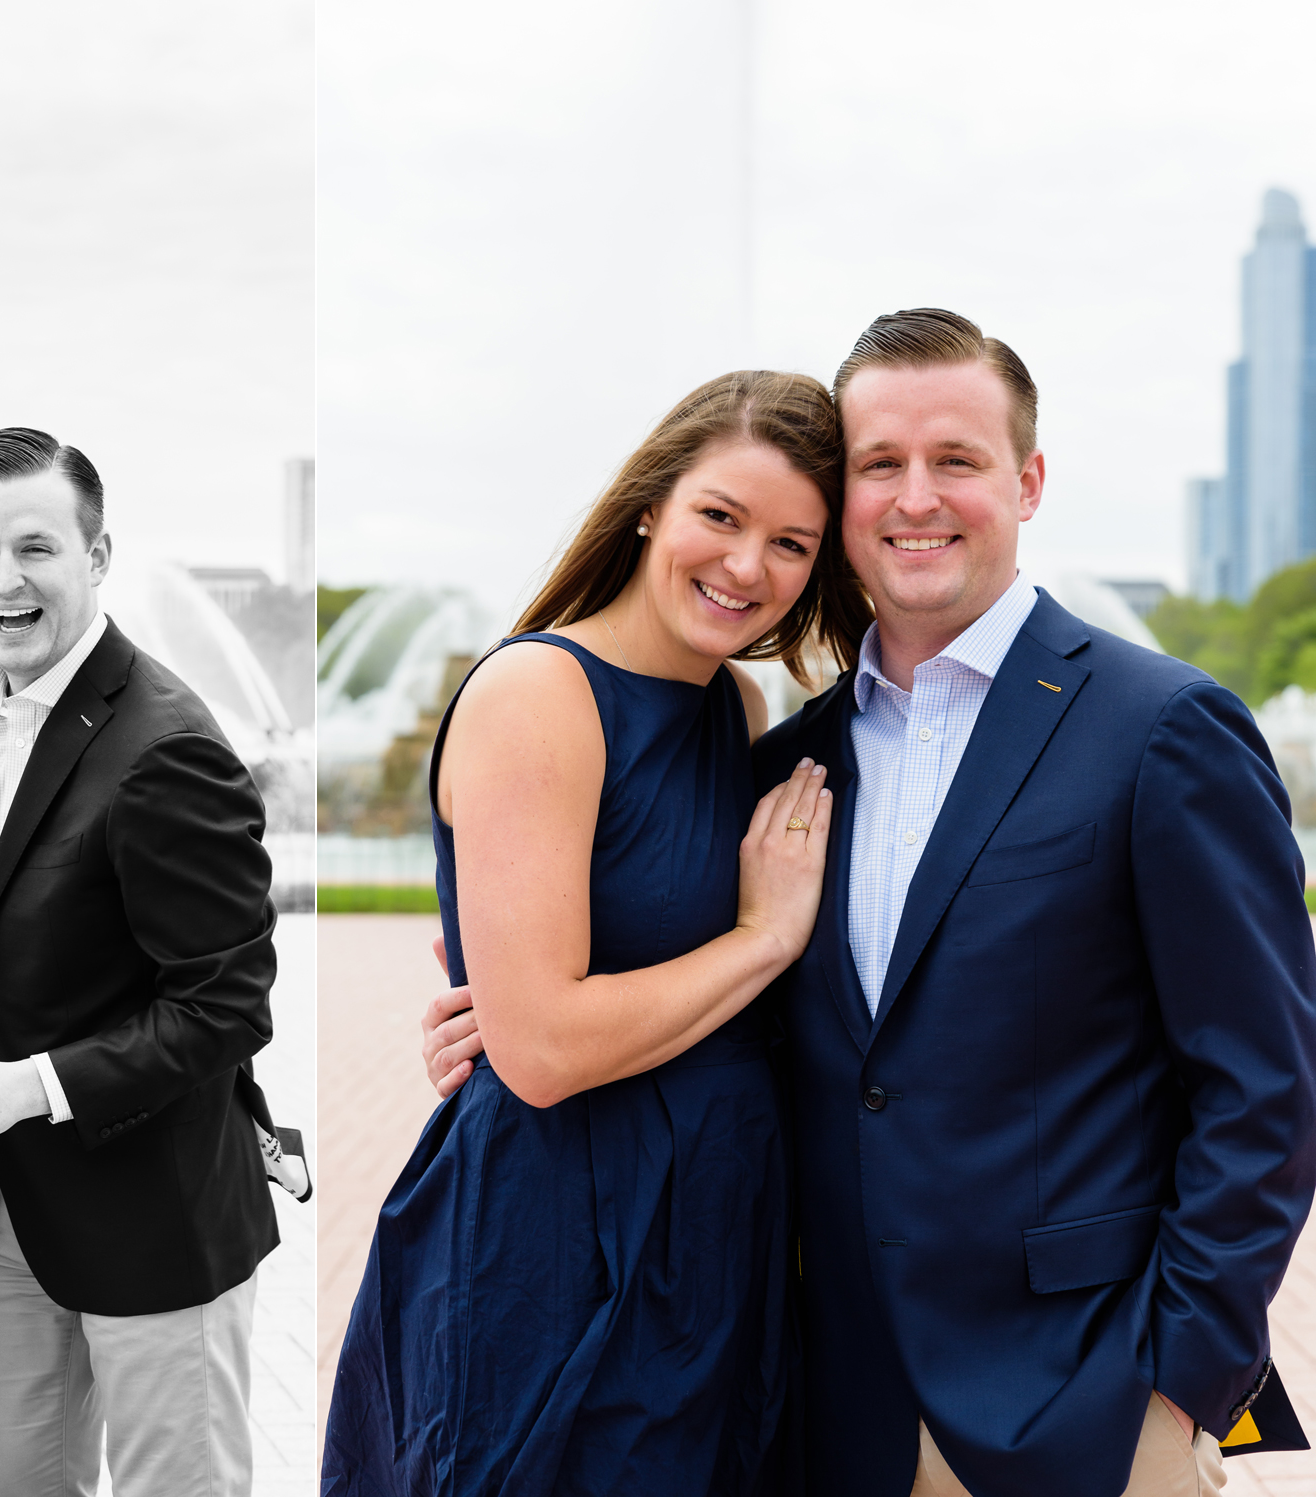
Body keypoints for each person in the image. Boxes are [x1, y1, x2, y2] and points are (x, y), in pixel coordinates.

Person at [423, 310, 1316, 1496]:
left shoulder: (1159, 729)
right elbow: (692, 998)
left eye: (955, 460)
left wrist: (1179, 1381)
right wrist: (493, 1026)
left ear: (1027, 480)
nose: (915, 498)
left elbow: (1265, 1081)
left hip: (1085, 1404)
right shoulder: (782, 761)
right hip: (818, 1399)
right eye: (879, 466)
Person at [325, 371, 873, 1495]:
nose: (743, 567)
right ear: (648, 507)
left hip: (717, 1222)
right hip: (556, 1230)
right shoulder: (540, 692)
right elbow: (538, 1053)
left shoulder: (739, 710)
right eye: (718, 517)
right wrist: (761, 939)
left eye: (788, 543)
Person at [0, 428, 286, 1496]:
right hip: (0, 1211)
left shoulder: (168, 746)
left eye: (36, 548)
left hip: (155, 1214)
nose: (4, 581)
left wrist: (26, 1088)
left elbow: (225, 1007)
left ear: (97, 558)